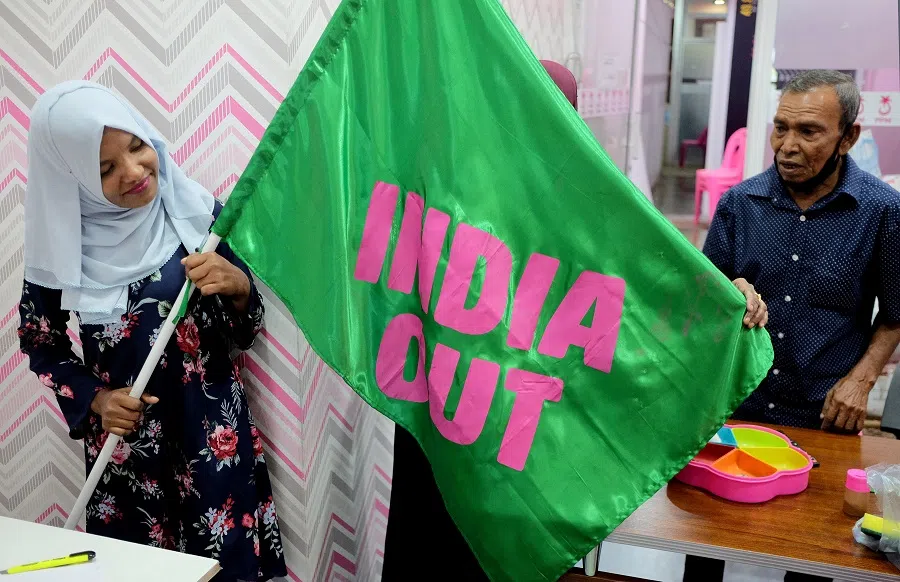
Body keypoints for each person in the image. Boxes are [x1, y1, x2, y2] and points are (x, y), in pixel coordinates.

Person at [18, 81, 287, 582]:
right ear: (72, 178)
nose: (134, 172)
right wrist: (96, 400)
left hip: (213, 438)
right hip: (129, 460)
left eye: (137, 146)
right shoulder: (59, 249)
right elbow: (40, 342)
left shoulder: (196, 215)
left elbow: (246, 327)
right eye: (105, 168)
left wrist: (238, 288)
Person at [685, 70, 900, 582]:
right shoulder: (740, 204)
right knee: (705, 538)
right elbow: (701, 299)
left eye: (809, 131)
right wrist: (732, 289)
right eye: (780, 128)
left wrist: (860, 380)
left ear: (848, 137)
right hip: (739, 402)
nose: (787, 145)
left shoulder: (882, 211)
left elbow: (895, 314)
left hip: (825, 412)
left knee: (813, 550)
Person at [380, 60, 578, 581]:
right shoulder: (451, 185)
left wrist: (729, 295)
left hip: (524, 418)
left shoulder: (580, 208)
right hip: (442, 403)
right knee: (433, 538)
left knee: (507, 547)